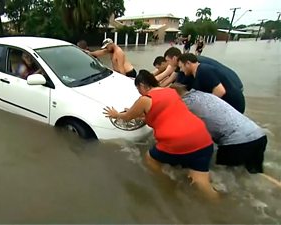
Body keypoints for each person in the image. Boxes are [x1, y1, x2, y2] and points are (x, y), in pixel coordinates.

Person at [103, 70, 218, 198]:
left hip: (177, 141)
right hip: (202, 136)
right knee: (202, 182)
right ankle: (218, 203)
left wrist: (116, 114)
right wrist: (141, 114)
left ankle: (168, 185)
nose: (139, 92)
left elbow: (127, 117)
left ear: (141, 85)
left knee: (149, 158)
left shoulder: (145, 99)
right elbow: (162, 113)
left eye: (138, 89)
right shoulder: (171, 91)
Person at [170, 83, 267, 174]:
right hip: (259, 135)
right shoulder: (205, 95)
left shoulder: (185, 105)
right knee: (252, 172)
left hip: (236, 143)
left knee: (224, 175)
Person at [178, 53, 245, 113]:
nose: (181, 70)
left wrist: (206, 107)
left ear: (188, 63)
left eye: (181, 67)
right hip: (227, 105)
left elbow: (220, 91)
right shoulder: (197, 73)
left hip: (234, 105)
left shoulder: (203, 70)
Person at [164, 47, 244, 93]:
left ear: (174, 58)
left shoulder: (197, 69)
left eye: (168, 61)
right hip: (234, 83)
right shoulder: (191, 61)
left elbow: (179, 89)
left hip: (233, 88)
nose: (168, 64)